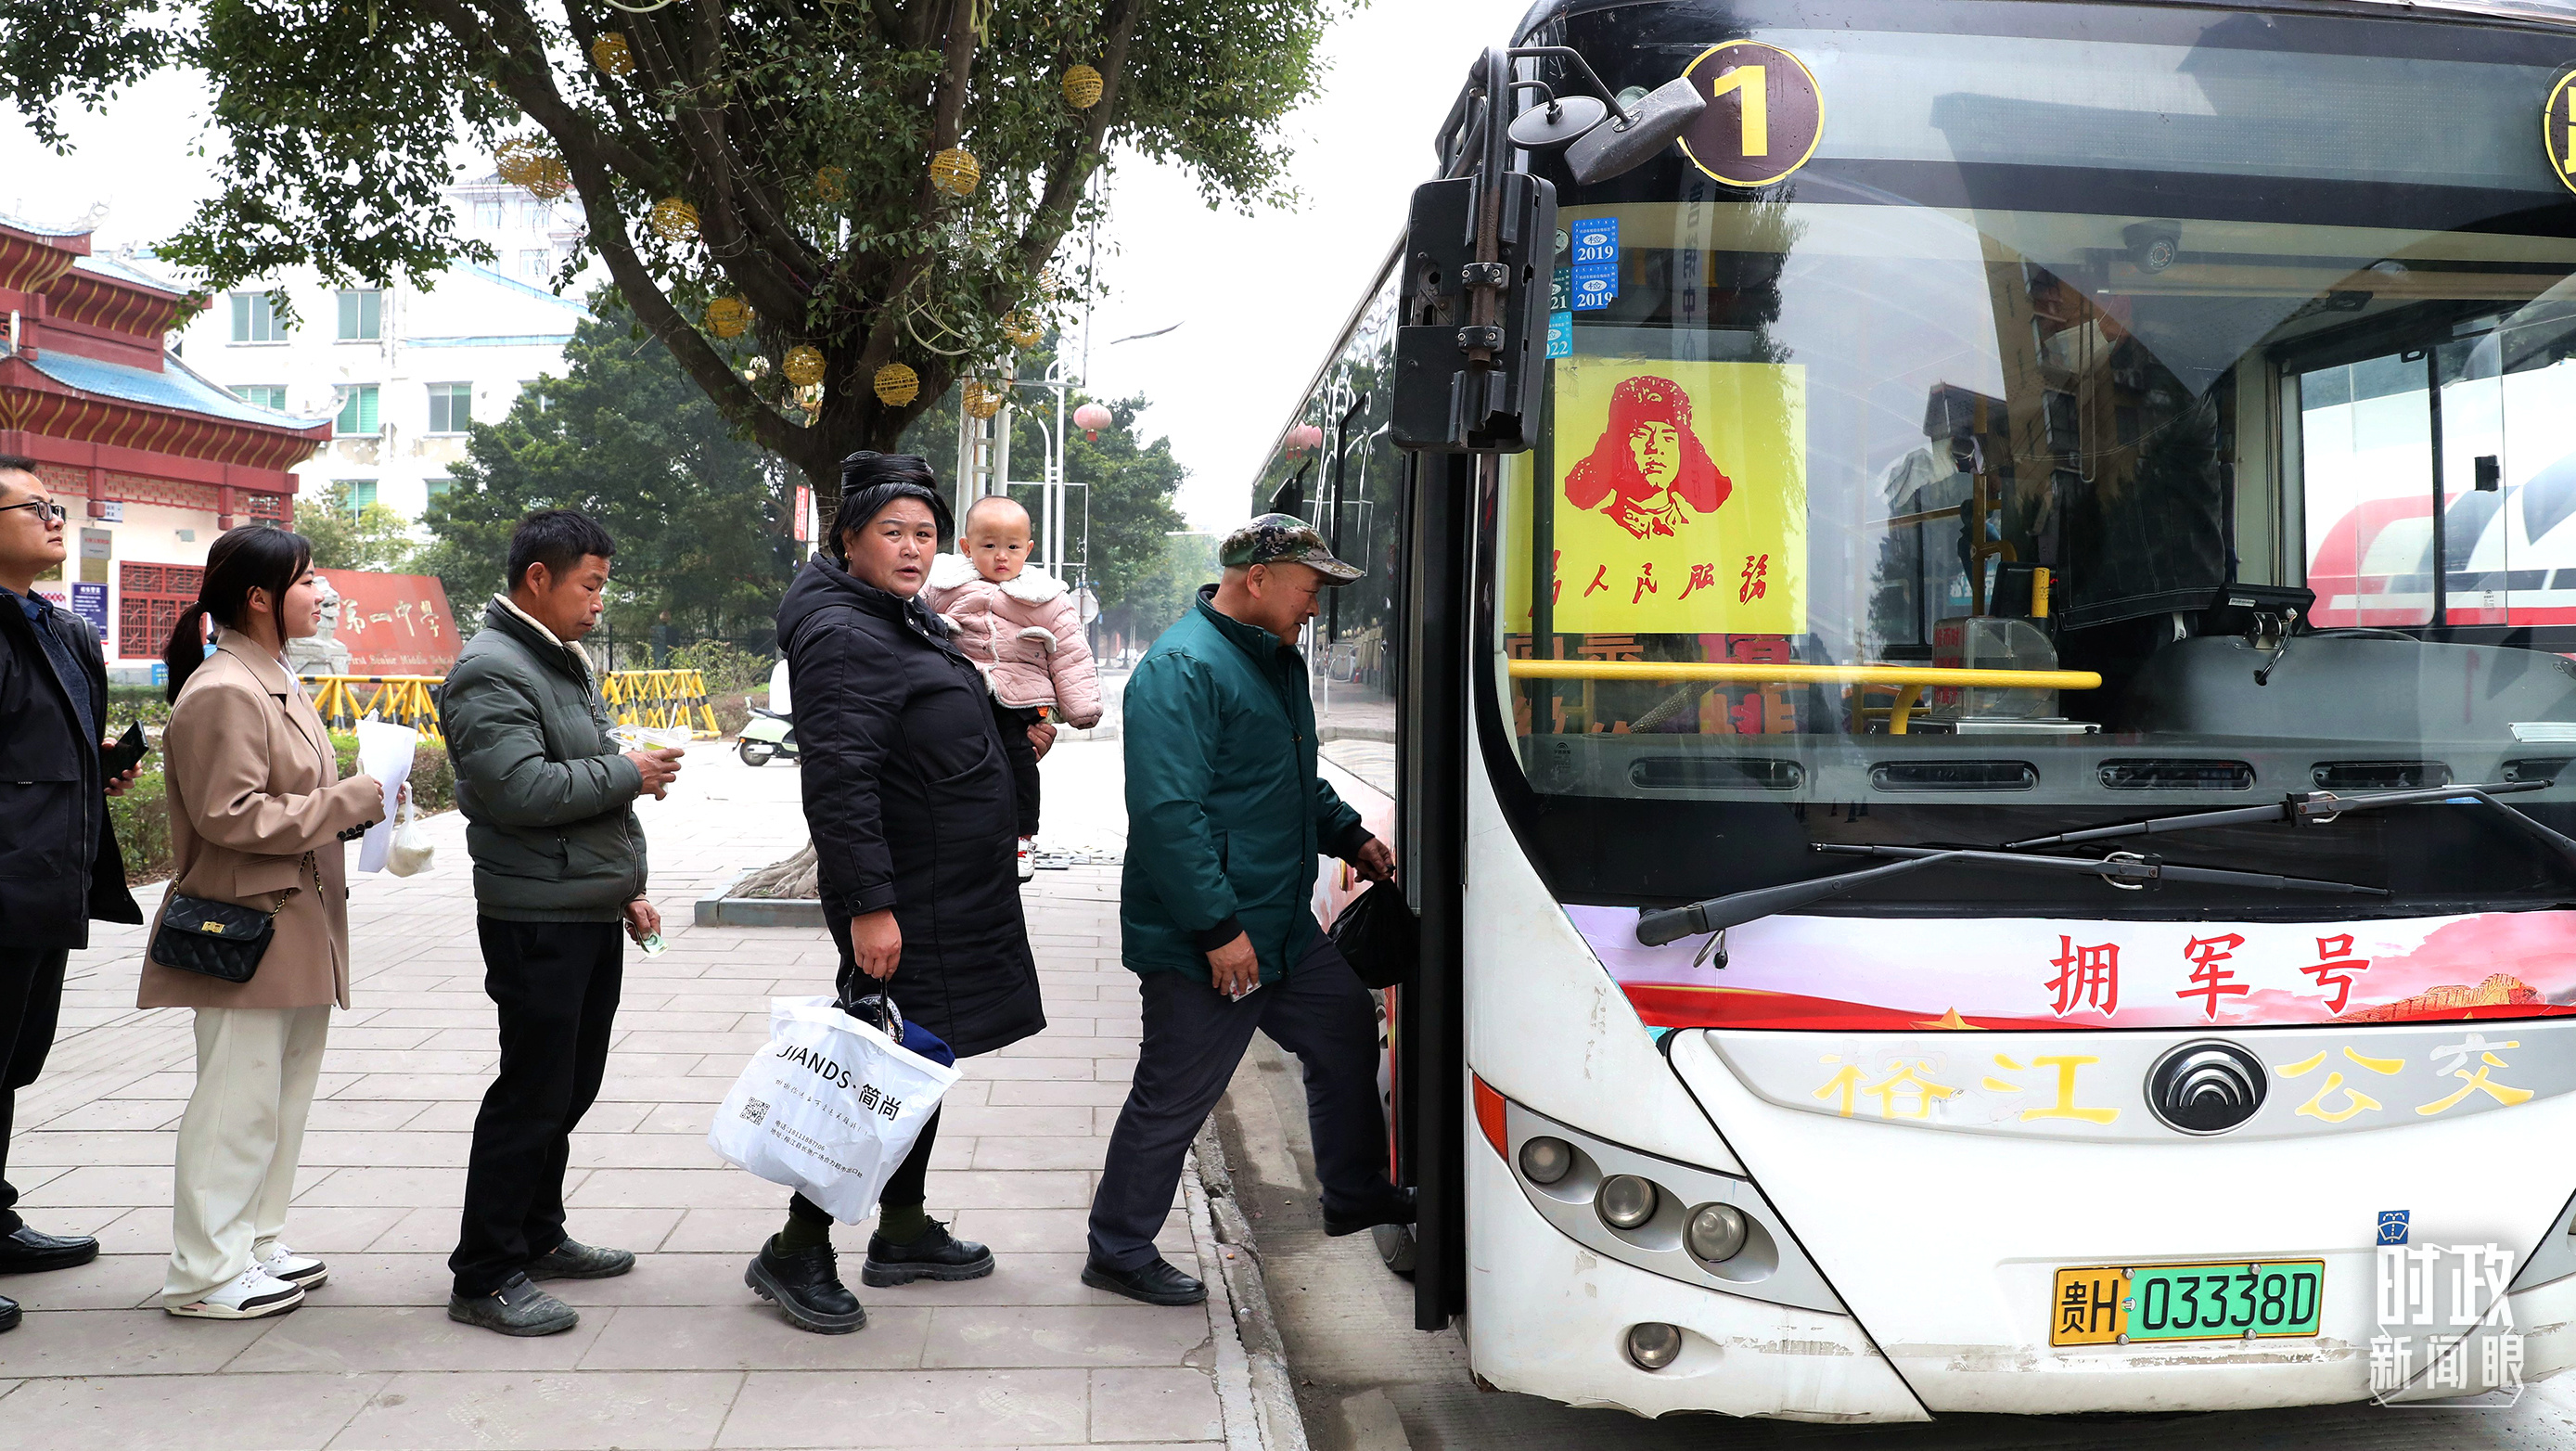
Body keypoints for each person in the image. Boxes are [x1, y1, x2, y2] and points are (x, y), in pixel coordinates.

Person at [750, 452, 1046, 1334]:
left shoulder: (895, 615)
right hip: (906, 898)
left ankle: (904, 1230)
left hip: (947, 889)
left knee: (918, 1064)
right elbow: (839, 780)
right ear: (850, 540)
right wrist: (872, 907)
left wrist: (1000, 741)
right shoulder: (844, 633)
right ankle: (796, 1248)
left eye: (924, 533)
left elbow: (920, 720)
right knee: (871, 1074)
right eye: (893, 532)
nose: (914, 549)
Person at [1085, 514, 1411, 1306]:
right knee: (1175, 1093)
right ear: (1257, 579)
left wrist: (1348, 835)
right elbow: (1169, 816)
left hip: (1280, 926)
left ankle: (1354, 1190)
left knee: (1340, 1031)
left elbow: (1289, 778)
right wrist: (1218, 931)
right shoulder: (1180, 669)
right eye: (1309, 587)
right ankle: (1118, 1248)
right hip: (1209, 938)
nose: (1316, 605)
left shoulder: (1272, 661)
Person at [440, 509, 682, 1336]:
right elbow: (520, 791)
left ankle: (538, 1236)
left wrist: (623, 887)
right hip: (532, 915)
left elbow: (576, 787)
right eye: (590, 584)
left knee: (568, 1087)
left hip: (578, 904)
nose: (598, 602)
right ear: (537, 579)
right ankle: (484, 1271)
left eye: (603, 585)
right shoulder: (491, 669)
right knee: (532, 1091)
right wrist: (626, 771)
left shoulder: (551, 660)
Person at [145, 526, 386, 1318]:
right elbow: (230, 814)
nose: (323, 592)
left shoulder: (272, 676)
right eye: (308, 579)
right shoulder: (224, 690)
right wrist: (351, 799)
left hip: (294, 920)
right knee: (235, 1102)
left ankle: (253, 1241)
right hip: (247, 924)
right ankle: (205, 1274)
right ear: (259, 597)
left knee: (280, 1095)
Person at [0, 460, 141, 1334]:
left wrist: (98, 772)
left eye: (60, 507)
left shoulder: (57, 627)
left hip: (43, 884)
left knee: (12, 1062)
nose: (57, 520)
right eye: (36, 507)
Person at [919, 494, 1102, 878]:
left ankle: (1023, 838)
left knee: (1019, 765)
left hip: (1018, 702)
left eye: (1013, 547)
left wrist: (1080, 707)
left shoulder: (1047, 596)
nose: (1001, 556)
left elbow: (1071, 652)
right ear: (967, 548)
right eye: (989, 546)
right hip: (959, 695)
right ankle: (954, 838)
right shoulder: (943, 585)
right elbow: (914, 620)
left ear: (1028, 549)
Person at [1564, 374, 1732, 539]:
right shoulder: (1591, 531)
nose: (1655, 448)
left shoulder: (1704, 534)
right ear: (1619, 446)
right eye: (1641, 435)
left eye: (1668, 438)